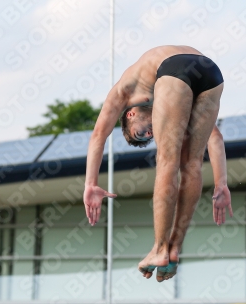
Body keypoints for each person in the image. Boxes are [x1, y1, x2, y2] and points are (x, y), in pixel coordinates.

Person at [83, 45, 233, 282]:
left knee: (167, 161)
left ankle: (160, 248)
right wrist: (221, 183)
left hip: (176, 67)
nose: (149, 135)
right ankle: (174, 248)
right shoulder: (166, 98)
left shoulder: (123, 91)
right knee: (192, 163)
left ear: (130, 115)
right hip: (211, 72)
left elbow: (98, 135)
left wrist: (90, 183)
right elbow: (215, 137)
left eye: (140, 134)